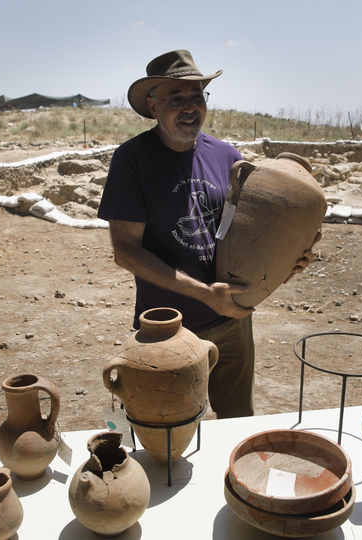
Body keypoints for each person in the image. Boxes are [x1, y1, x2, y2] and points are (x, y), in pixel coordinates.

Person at [97, 49, 317, 419]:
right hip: (167, 327)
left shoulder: (227, 156)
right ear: (153, 106)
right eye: (176, 99)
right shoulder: (132, 160)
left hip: (232, 319)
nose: (189, 107)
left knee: (237, 424)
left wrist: (284, 263)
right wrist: (204, 295)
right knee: (167, 432)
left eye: (197, 96)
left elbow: (244, 234)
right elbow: (125, 251)